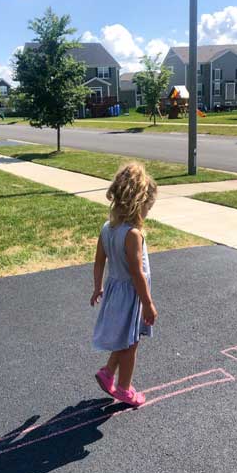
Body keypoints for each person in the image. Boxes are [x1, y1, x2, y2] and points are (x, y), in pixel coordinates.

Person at [90, 163, 158, 407]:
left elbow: (99, 261)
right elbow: (137, 273)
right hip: (131, 294)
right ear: (138, 203)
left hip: (114, 290)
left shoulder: (107, 228)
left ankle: (108, 372)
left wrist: (98, 286)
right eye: (147, 207)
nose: (148, 212)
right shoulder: (132, 235)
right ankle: (124, 388)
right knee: (131, 344)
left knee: (123, 337)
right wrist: (148, 303)